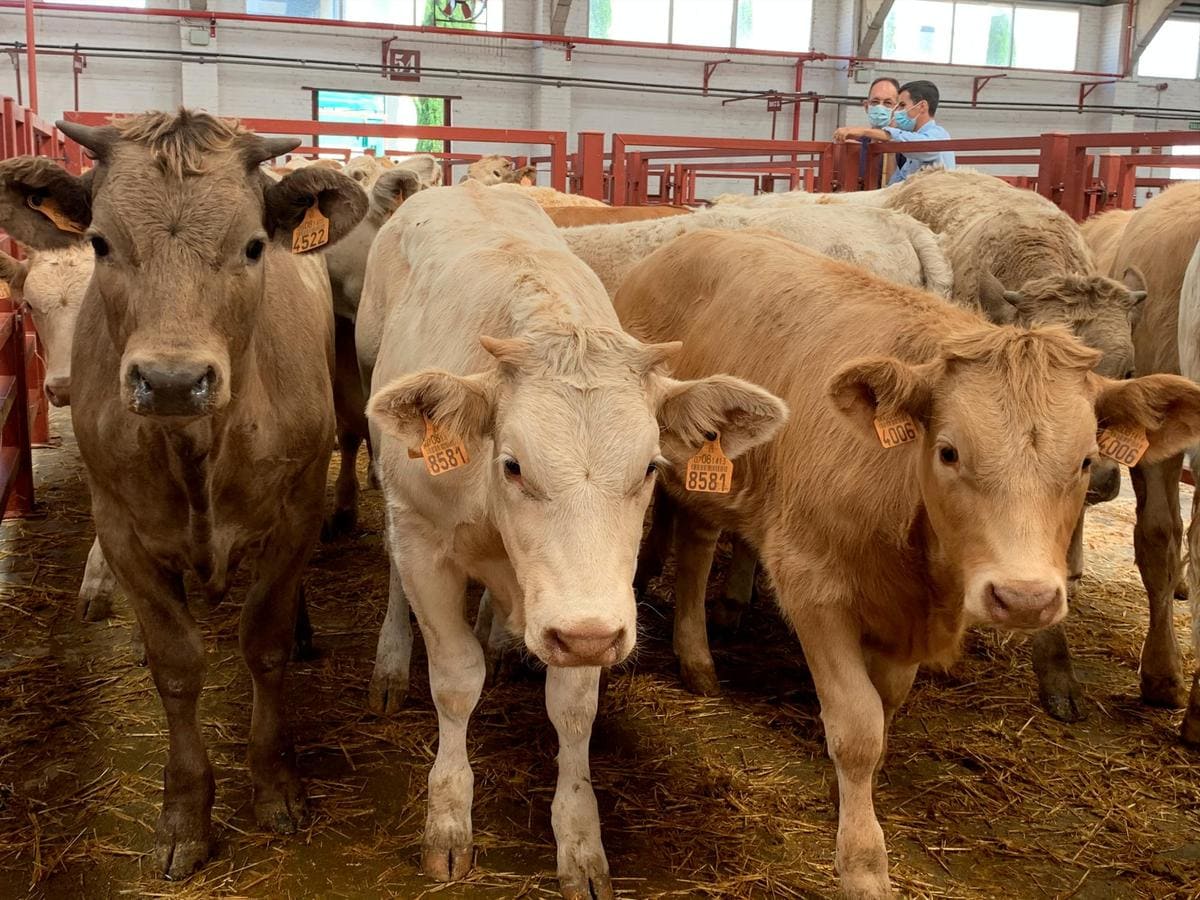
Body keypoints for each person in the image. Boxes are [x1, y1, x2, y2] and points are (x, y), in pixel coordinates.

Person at [834, 80, 955, 185]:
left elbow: (918, 144)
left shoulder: (939, 135)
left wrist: (865, 131)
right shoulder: (910, 158)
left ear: (922, 106)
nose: (897, 112)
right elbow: (894, 186)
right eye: (875, 102)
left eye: (902, 105)